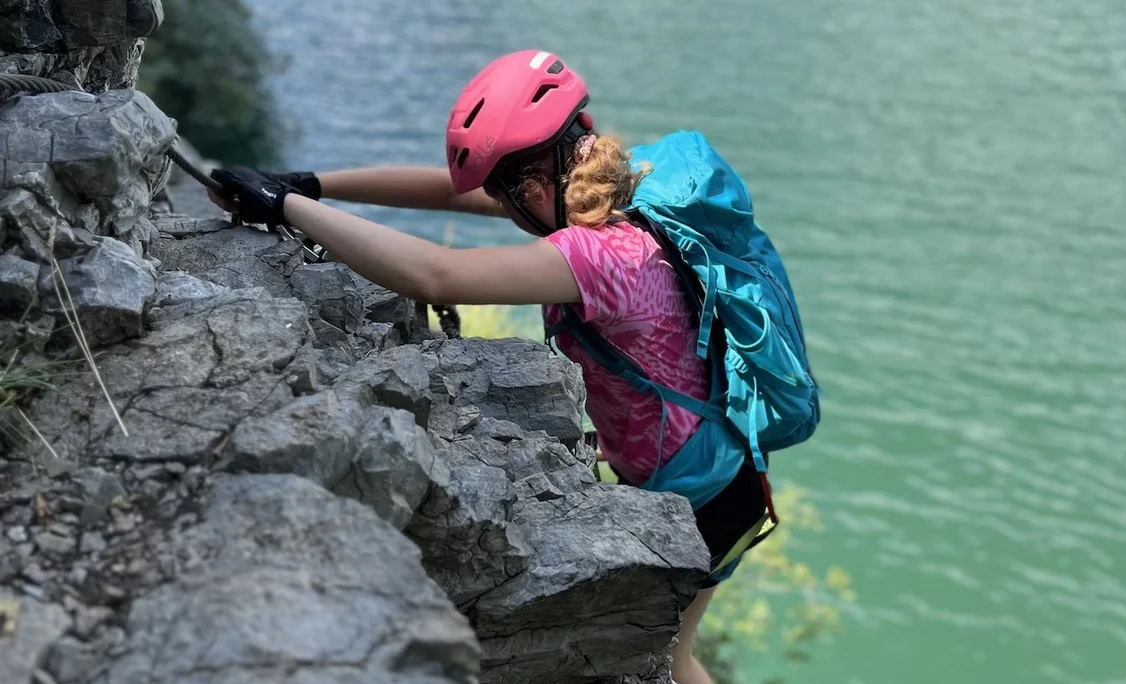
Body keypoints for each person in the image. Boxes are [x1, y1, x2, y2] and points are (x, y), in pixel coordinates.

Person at [208, 49, 771, 684]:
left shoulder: (603, 256)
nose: (503, 203)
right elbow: (452, 194)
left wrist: (287, 208)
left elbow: (437, 272)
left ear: (550, 167)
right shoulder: (617, 189)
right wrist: (309, 183)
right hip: (718, 463)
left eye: (513, 187)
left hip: (704, 495)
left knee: (669, 664)